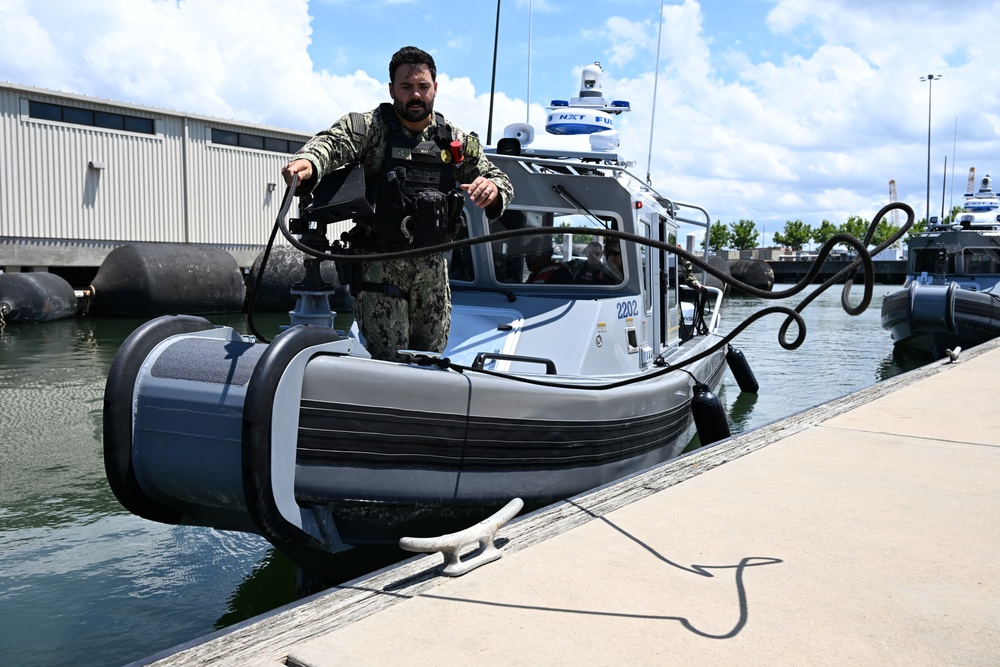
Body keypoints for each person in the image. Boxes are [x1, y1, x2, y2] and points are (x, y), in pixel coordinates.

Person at [282, 46, 513, 361]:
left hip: (432, 269)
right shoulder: (370, 128)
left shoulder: (454, 140)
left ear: (435, 88)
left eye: (423, 86)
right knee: (391, 359)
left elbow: (499, 178)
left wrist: (493, 189)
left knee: (430, 358)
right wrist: (308, 162)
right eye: (406, 87)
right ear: (392, 89)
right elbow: (332, 144)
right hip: (380, 264)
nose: (415, 95)